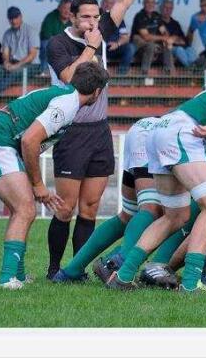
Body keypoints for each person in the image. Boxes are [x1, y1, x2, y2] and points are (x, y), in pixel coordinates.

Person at [44, 0, 156, 279]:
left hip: (99, 130)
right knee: (65, 208)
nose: (93, 22)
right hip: (70, 130)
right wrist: (91, 47)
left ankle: (77, 268)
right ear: (72, 16)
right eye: (86, 17)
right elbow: (70, 77)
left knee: (91, 207)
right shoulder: (59, 43)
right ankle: (53, 268)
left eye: (96, 16)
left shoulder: (101, 30)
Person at [105, 86, 206, 292]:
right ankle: (191, 283)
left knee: (175, 217)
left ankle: (123, 275)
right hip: (185, 132)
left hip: (162, 129)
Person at [0, 62, 109, 288]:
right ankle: (7, 279)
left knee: (22, 210)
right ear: (97, 92)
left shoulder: (65, 94)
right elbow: (29, 139)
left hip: (1, 145)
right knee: (25, 209)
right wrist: (37, 184)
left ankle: (18, 274)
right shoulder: (67, 104)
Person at [51, 117, 162, 283]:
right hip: (160, 134)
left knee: (128, 215)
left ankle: (70, 271)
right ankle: (119, 262)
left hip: (143, 128)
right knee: (162, 211)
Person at [0, 7, 41, 94]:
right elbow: (5, 53)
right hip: (14, 63)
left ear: (21, 17)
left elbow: (32, 56)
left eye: (16, 18)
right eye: (11, 18)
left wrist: (16, 65)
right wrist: (6, 62)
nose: (13, 21)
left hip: (33, 65)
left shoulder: (31, 31)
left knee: (14, 72)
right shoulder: (7, 33)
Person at [131, 0, 173, 75]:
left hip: (154, 43)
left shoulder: (156, 16)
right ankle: (144, 74)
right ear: (144, 3)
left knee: (167, 45)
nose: (150, 5)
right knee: (150, 45)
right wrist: (163, 38)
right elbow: (146, 37)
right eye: (148, 2)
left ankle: (168, 74)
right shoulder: (140, 16)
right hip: (140, 45)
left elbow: (164, 31)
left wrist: (166, 39)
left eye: (153, 3)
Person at [101, 0, 134, 75]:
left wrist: (117, 44)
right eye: (106, 2)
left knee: (130, 48)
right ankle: (100, 77)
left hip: (114, 47)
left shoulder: (119, 18)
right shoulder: (95, 17)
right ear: (101, 4)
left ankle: (121, 77)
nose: (108, 5)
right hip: (100, 48)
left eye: (111, 3)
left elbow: (125, 37)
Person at [39, 0, 72, 74]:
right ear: (59, 8)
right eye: (64, 8)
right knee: (46, 45)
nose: (67, 11)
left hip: (67, 44)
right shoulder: (51, 17)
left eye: (69, 9)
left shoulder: (74, 19)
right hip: (53, 42)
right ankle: (45, 71)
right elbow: (47, 35)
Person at [158, 0, 187, 72]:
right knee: (179, 50)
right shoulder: (157, 22)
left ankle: (195, 66)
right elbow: (164, 40)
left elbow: (184, 41)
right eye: (166, 8)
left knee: (191, 50)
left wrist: (174, 39)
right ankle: (191, 68)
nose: (168, 10)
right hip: (166, 49)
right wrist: (175, 39)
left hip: (178, 48)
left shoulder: (175, 23)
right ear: (161, 8)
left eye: (170, 8)